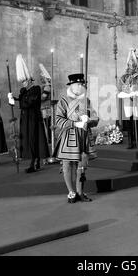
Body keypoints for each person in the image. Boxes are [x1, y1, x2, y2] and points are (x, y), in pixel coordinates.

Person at [54, 73, 99, 203]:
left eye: (82, 84)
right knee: (67, 164)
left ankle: (80, 191)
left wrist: (89, 120)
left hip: (83, 135)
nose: (80, 86)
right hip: (69, 135)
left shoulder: (86, 101)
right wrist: (74, 123)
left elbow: (96, 118)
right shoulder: (63, 101)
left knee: (82, 164)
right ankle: (71, 192)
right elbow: (58, 120)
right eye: (78, 84)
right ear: (71, 85)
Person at [8, 54, 49, 173]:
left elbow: (28, 103)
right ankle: (33, 161)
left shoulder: (35, 89)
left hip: (33, 118)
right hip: (25, 119)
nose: (23, 84)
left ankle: (34, 162)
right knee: (27, 139)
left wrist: (18, 101)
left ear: (30, 80)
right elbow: (21, 101)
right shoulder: (23, 90)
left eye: (25, 81)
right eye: (22, 82)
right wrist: (13, 99)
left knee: (33, 139)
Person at [117, 49, 138, 149]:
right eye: (130, 65)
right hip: (127, 101)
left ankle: (137, 141)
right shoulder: (123, 77)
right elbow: (120, 90)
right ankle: (130, 141)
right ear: (127, 65)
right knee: (129, 121)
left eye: (133, 65)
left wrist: (137, 93)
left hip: (137, 100)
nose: (132, 67)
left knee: (137, 120)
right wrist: (127, 94)